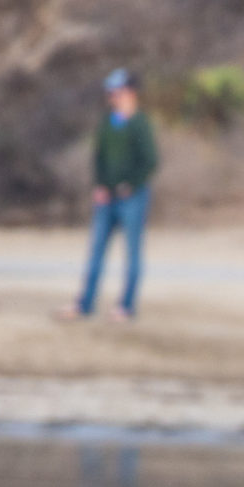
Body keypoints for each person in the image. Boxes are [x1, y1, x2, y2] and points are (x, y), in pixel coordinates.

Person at [65, 68, 159, 322]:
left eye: (117, 92)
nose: (113, 97)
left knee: (132, 252)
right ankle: (84, 304)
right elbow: (99, 157)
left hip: (132, 198)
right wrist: (100, 186)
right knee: (96, 250)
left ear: (130, 93)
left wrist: (130, 184)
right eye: (111, 92)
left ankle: (126, 306)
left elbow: (150, 161)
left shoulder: (140, 123)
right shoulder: (108, 121)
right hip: (106, 198)